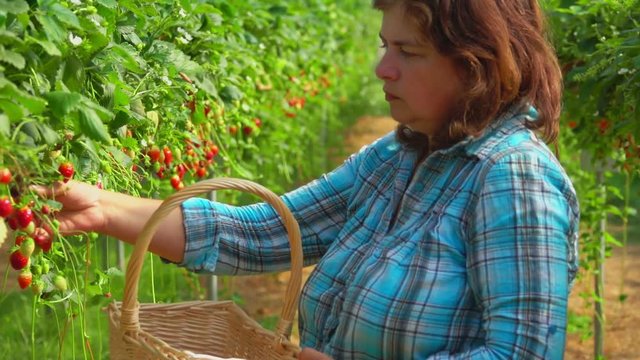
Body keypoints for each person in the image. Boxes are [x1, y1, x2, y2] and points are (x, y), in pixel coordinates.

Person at [40, 1, 579, 359]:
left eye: (407, 53)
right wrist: (103, 209)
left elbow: (521, 352)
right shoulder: (395, 158)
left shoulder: (513, 179)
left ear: (477, 64)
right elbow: (260, 232)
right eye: (384, 46)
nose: (382, 69)